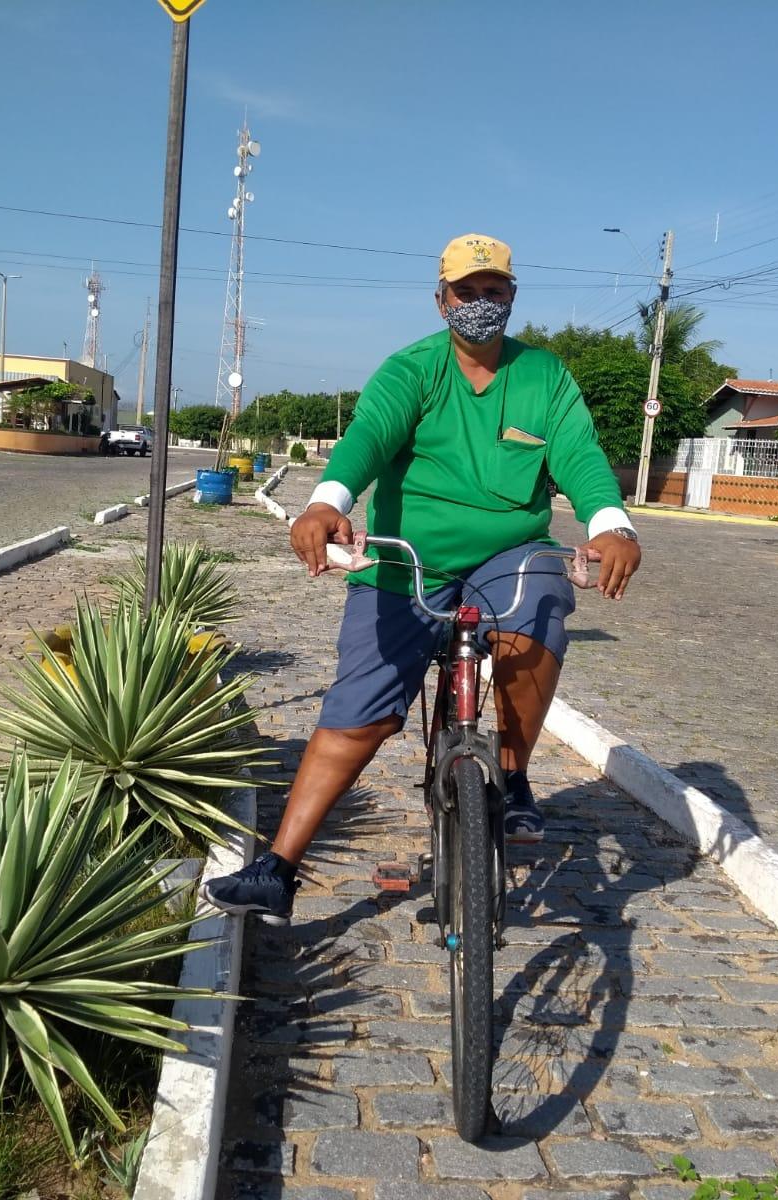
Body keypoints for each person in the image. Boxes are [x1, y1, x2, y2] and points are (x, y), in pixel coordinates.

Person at [201, 234, 642, 925]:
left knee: (540, 611)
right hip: (409, 557)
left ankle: (514, 778)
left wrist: (612, 522)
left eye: (493, 291)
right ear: (442, 301)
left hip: (508, 551)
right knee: (362, 711)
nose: (480, 303)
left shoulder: (545, 376)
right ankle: (277, 869)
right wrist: (327, 502)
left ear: (512, 297)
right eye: (466, 292)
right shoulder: (411, 370)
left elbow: (580, 456)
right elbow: (368, 438)